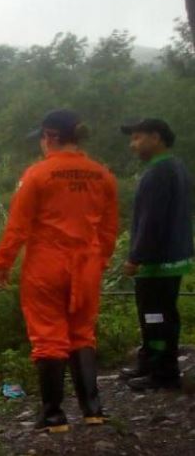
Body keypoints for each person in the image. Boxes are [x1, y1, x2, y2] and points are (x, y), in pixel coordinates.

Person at [0, 110, 118, 432]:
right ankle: (93, 409)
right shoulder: (102, 175)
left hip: (46, 264)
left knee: (48, 336)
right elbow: (108, 229)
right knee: (82, 333)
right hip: (86, 264)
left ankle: (53, 415)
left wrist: (2, 263)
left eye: (43, 138)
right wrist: (98, 262)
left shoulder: (38, 175)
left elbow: (18, 226)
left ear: (51, 137)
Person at [119, 118, 193, 390]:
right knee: (159, 314)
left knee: (156, 315)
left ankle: (163, 372)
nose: (133, 145)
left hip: (158, 263)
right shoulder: (176, 167)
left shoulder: (159, 172)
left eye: (138, 138)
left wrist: (135, 257)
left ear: (156, 137)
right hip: (172, 258)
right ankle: (149, 361)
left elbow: (151, 221)